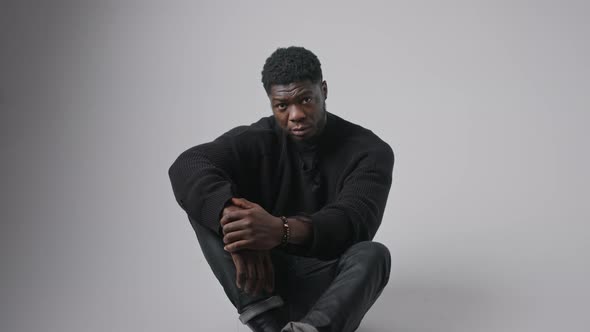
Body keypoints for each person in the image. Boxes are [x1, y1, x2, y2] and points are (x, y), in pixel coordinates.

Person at [168, 46, 394, 332]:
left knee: (374, 254)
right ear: (271, 103)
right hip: (262, 282)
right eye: (282, 106)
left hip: (328, 289)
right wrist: (244, 234)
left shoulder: (370, 151)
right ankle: (268, 326)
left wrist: (278, 230)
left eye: (306, 99)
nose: (296, 114)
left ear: (324, 90)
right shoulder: (257, 139)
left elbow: (354, 222)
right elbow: (187, 165)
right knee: (208, 204)